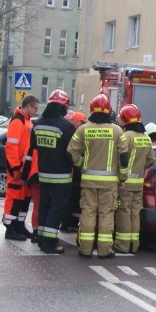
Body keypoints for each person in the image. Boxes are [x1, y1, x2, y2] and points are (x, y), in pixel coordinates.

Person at [67, 94, 128, 258]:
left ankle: (85, 249)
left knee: (88, 213)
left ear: (92, 109)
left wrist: (81, 165)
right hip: (109, 184)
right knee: (106, 215)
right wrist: (122, 178)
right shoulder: (117, 130)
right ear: (108, 110)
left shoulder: (83, 129)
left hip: (88, 181)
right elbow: (124, 156)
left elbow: (71, 151)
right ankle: (104, 250)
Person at [22, 90, 75, 254]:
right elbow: (72, 152)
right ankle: (49, 243)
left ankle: (42, 239)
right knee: (56, 209)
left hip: (43, 175)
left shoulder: (37, 124)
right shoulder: (66, 126)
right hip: (61, 178)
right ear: (63, 106)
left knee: (44, 207)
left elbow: (35, 147)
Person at [114, 104, 155, 254]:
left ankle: (123, 245)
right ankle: (134, 244)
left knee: (124, 212)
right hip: (138, 184)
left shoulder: (125, 137)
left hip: (124, 183)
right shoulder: (146, 138)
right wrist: (139, 168)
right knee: (135, 213)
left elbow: (119, 159)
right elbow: (151, 160)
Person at [3, 96, 39, 240]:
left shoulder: (26, 121)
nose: (36, 111)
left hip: (25, 168)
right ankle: (10, 228)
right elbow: (11, 147)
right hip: (17, 168)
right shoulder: (17, 121)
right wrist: (15, 167)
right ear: (28, 106)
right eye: (35, 108)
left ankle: (19, 225)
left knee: (24, 197)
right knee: (14, 197)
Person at [60, 111, 86, 232]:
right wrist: (81, 165)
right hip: (73, 172)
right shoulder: (72, 134)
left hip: (76, 173)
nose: (82, 125)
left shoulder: (76, 133)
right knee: (71, 200)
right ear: (75, 121)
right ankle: (67, 223)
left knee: (74, 200)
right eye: (81, 123)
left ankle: (71, 223)